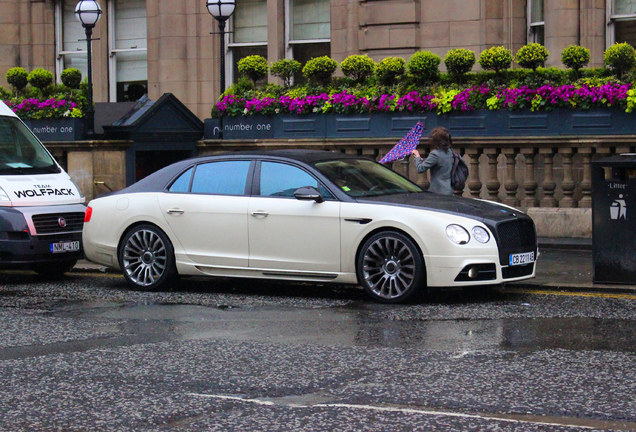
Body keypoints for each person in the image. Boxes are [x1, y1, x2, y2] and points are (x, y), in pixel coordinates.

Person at [411, 126, 454, 195]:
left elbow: (420, 169)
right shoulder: (449, 151)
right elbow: (439, 162)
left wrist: (417, 156)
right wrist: (424, 160)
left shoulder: (435, 154)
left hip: (438, 190)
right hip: (448, 189)